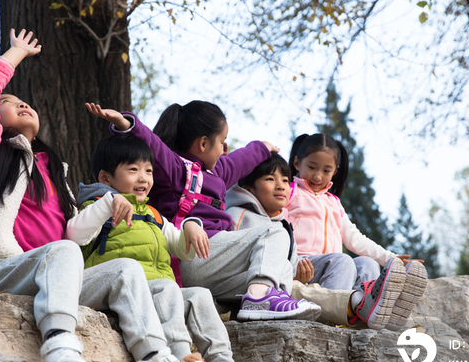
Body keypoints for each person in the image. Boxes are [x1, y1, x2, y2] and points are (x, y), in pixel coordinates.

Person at [0, 28, 221, 362]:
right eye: (9, 102)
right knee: (64, 252)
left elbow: (73, 234)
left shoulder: (55, 172)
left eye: (24, 101)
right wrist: (16, 53)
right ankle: (59, 343)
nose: (20, 103)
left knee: (126, 270)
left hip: (50, 272)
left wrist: (106, 206)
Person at [84, 102, 320, 321]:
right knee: (274, 232)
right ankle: (259, 299)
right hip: (191, 254)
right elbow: (154, 144)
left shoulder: (217, 173)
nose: (225, 148)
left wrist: (262, 148)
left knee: (280, 270)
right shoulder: (177, 168)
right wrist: (127, 124)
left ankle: (261, 301)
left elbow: (241, 160)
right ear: (204, 144)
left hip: (210, 264)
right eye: (222, 141)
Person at [66, 133, 246, 362]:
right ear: (106, 178)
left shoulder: (153, 215)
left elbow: (184, 251)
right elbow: (74, 234)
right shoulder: (97, 207)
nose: (143, 178)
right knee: (167, 287)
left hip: (161, 294)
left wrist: (192, 226)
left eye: (148, 171)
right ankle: (182, 357)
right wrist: (108, 203)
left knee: (199, 295)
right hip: (123, 292)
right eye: (133, 169)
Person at [284, 133, 428, 330]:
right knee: (342, 260)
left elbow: (355, 239)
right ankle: (329, 316)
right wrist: (286, 262)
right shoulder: (289, 192)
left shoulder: (333, 202)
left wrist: (392, 260)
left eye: (326, 170)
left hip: (331, 268)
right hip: (300, 264)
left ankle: (368, 316)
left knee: (366, 264)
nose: (318, 176)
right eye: (311, 167)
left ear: (335, 171)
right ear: (296, 163)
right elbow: (277, 228)